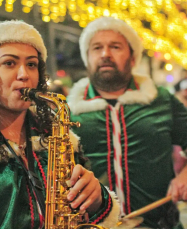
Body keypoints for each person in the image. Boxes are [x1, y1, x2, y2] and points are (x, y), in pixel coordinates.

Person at [0, 20, 120, 229]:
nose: (24, 75)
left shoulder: (56, 134)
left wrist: (98, 200)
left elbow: (84, 213)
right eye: (10, 63)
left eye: (31, 64)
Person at [67, 16, 187, 228]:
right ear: (87, 57)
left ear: (133, 58)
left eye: (115, 47)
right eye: (97, 48)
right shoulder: (68, 110)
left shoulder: (161, 99)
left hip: (160, 223)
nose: (105, 54)